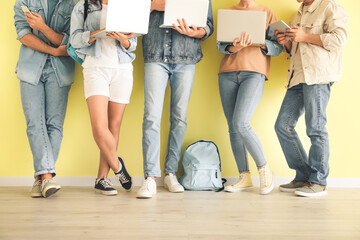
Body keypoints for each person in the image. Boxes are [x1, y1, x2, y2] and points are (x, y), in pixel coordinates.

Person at [136, 0, 214, 199]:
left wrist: (193, 33)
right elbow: (131, 15)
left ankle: (170, 174)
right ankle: (150, 178)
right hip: (155, 55)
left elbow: (208, 27)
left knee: (179, 118)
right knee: (151, 117)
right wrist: (152, 6)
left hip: (186, 58)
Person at [274, 0, 348, 197]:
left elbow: (339, 40)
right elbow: (295, 50)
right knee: (282, 125)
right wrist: (287, 42)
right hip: (297, 76)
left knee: (315, 127)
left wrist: (304, 36)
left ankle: (318, 181)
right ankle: (304, 175)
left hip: (318, 75)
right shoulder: (298, 14)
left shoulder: (330, 6)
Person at [70, 0, 136, 195]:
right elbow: (74, 39)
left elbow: (131, 44)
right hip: (95, 67)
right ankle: (118, 168)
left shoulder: (127, 6)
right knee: (100, 127)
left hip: (122, 69)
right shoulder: (83, 7)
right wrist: (96, 34)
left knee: (113, 127)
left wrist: (123, 39)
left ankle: (102, 179)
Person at [217, 0, 283, 195]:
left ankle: (264, 170)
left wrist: (260, 42)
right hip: (227, 73)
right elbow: (221, 46)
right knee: (233, 127)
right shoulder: (228, 12)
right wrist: (235, 47)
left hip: (254, 72)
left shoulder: (267, 12)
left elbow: (277, 47)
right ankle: (244, 176)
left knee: (241, 123)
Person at [14, 0, 77, 198]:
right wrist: (52, 50)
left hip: (60, 72)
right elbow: (23, 35)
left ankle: (40, 179)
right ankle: (47, 177)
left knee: (54, 125)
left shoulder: (74, 4)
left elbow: (69, 42)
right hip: (30, 68)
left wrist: (42, 27)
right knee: (34, 123)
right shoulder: (24, 2)